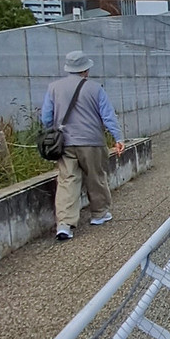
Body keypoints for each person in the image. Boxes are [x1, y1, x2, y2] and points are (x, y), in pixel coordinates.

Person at [41, 50, 124, 241]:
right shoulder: (95, 88)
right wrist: (118, 138)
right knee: (96, 177)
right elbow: (108, 115)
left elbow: (46, 117)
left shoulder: (53, 87)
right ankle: (99, 213)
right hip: (92, 141)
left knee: (67, 181)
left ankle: (64, 224)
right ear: (85, 69)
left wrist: (53, 133)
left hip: (65, 142)